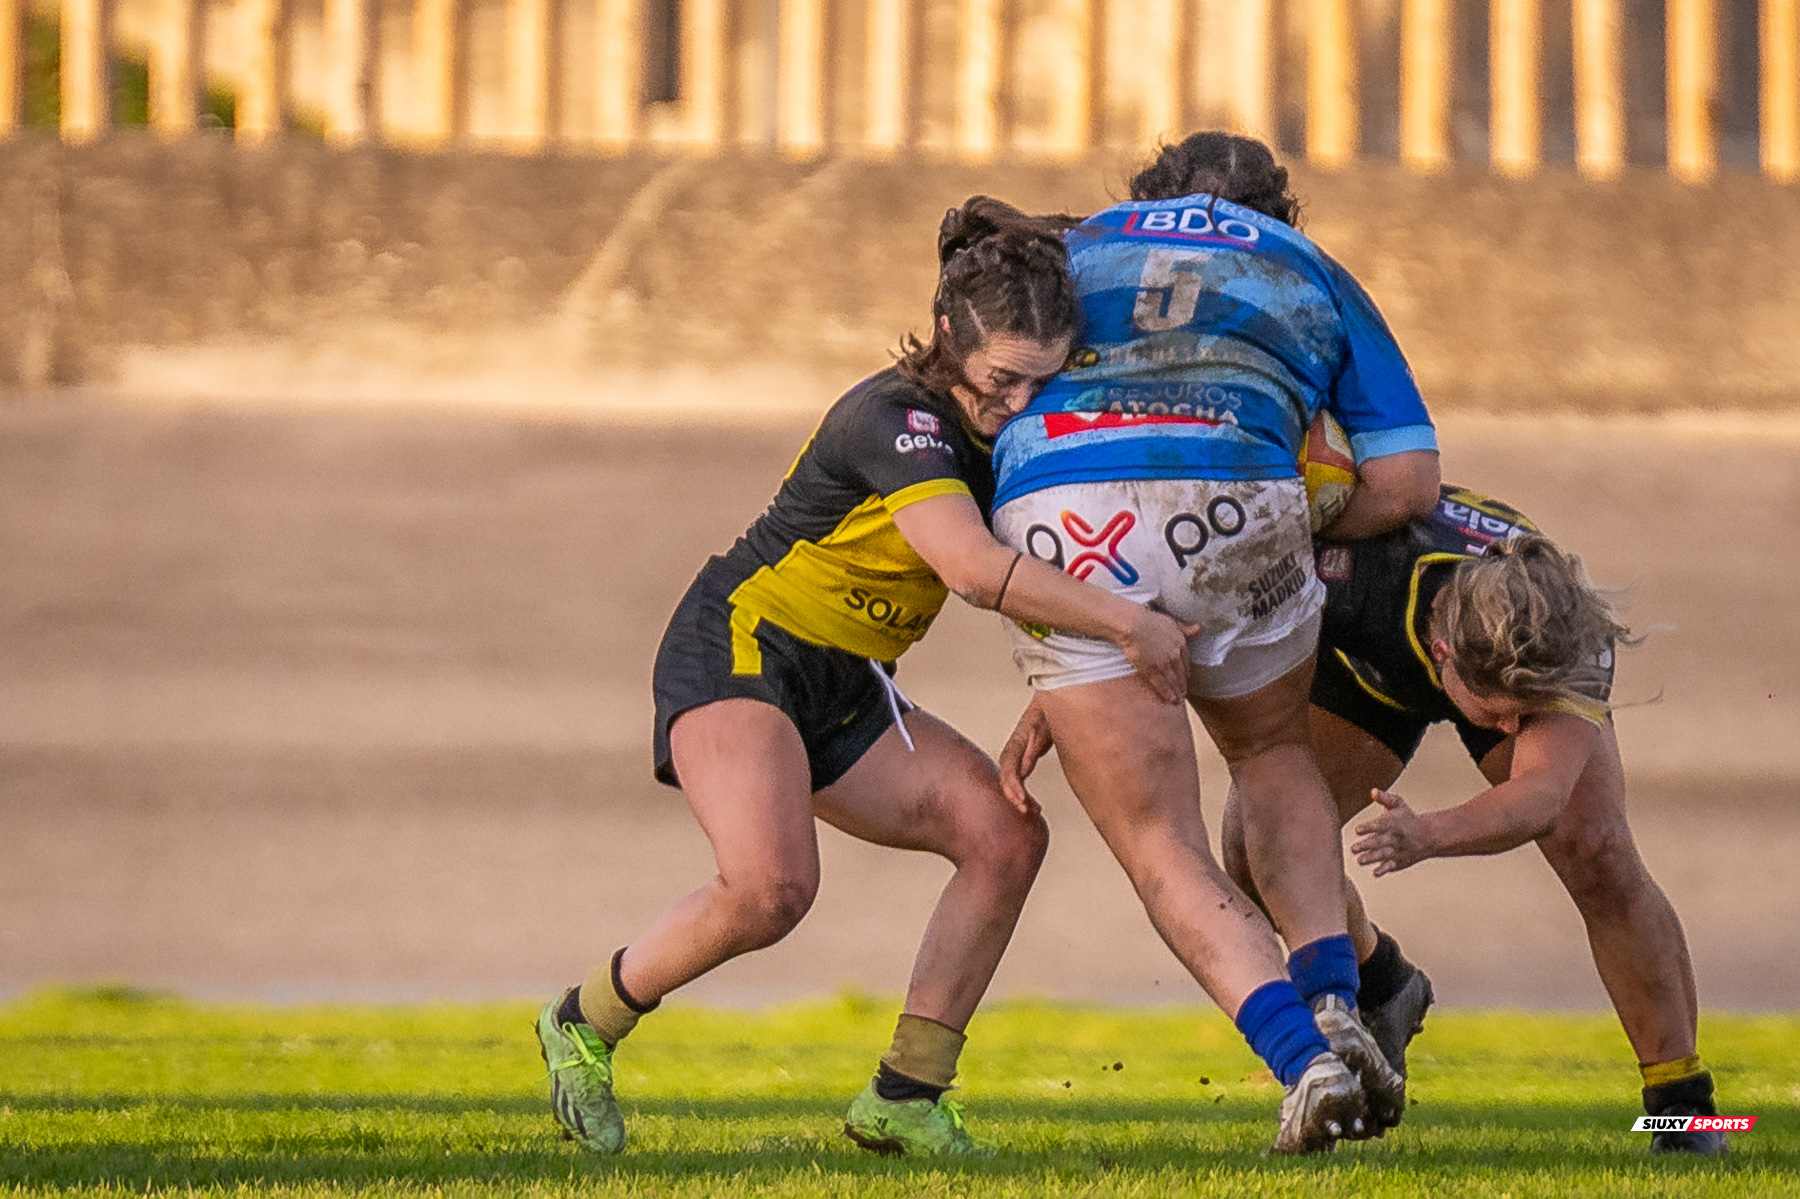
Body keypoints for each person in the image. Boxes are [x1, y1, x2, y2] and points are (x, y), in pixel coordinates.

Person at [534, 197, 1202, 1159]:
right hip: (745, 645)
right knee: (771, 890)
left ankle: (907, 1095)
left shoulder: (1010, 426)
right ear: (947, 333)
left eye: (1041, 382)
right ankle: (583, 1020)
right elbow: (975, 572)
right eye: (1005, 379)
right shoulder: (897, 417)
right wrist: (1133, 626)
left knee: (1005, 834)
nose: (1019, 403)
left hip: (850, 678)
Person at [991, 131, 1441, 1152]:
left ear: (1142, 194)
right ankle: (1334, 996)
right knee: (1272, 751)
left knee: (1162, 842)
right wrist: (1284, 523)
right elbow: (1410, 482)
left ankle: (1304, 1061)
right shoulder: (1307, 266)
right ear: (1280, 214)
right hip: (1241, 492)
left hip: (1061, 509)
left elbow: (993, 390)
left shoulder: (1071, 247)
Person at [1214, 487, 1729, 1156]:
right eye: (1501, 717)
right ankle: (1386, 982)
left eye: (1528, 713)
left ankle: (1685, 1113)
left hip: (1488, 643)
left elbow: (1538, 795)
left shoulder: (1570, 637)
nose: (1515, 729)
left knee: (1595, 847)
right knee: (1254, 850)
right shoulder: (1343, 576)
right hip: (1372, 656)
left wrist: (1428, 832)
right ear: (1445, 656)